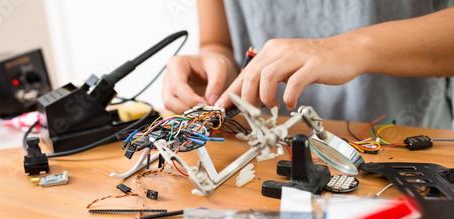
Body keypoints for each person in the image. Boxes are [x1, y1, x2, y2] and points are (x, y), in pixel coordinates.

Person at [162, 0, 454, 129]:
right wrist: (213, 62)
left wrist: (350, 48)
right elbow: (219, 42)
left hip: (402, 151)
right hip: (264, 153)